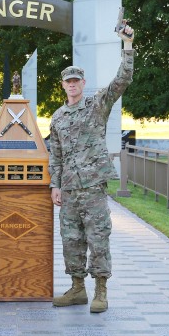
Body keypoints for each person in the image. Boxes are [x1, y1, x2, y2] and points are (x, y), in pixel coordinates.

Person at [49, 21, 135, 313]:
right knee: (71, 240)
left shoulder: (97, 105)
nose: (72, 85)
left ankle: (101, 291)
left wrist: (127, 45)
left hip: (93, 187)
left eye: (76, 81)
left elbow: (121, 81)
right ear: (63, 85)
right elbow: (56, 154)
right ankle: (77, 289)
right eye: (68, 81)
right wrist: (55, 185)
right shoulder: (58, 117)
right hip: (70, 190)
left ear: (83, 84)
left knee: (98, 238)